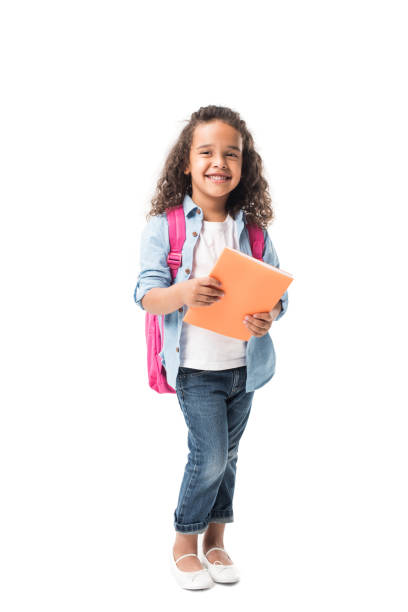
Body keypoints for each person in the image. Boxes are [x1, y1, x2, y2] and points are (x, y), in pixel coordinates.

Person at [134, 105, 289, 589]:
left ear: (244, 166)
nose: (218, 162)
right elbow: (146, 294)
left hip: (245, 367)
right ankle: (185, 540)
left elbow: (278, 295)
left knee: (230, 457)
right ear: (186, 161)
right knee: (211, 456)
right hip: (196, 369)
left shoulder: (255, 231)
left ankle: (216, 541)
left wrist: (269, 316)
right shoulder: (167, 226)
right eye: (206, 152)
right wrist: (183, 293)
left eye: (231, 154)